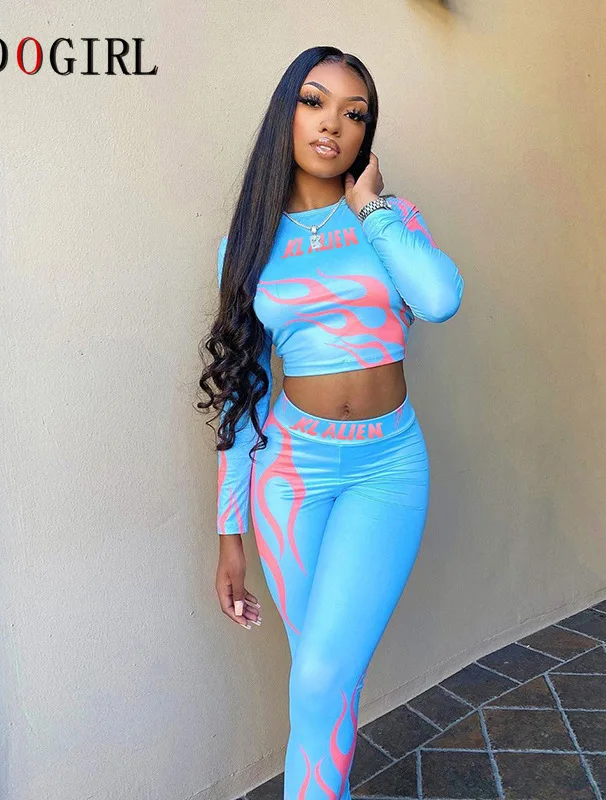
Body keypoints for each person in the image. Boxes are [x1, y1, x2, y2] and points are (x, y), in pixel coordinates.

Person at [197, 45, 464, 800]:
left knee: (322, 676)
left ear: (367, 134)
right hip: (291, 474)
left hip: (387, 468)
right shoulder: (247, 246)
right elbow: (243, 390)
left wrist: (371, 209)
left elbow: (440, 299)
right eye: (314, 102)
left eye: (355, 113)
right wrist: (229, 536)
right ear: (286, 113)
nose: (332, 125)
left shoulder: (391, 220)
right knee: (323, 679)